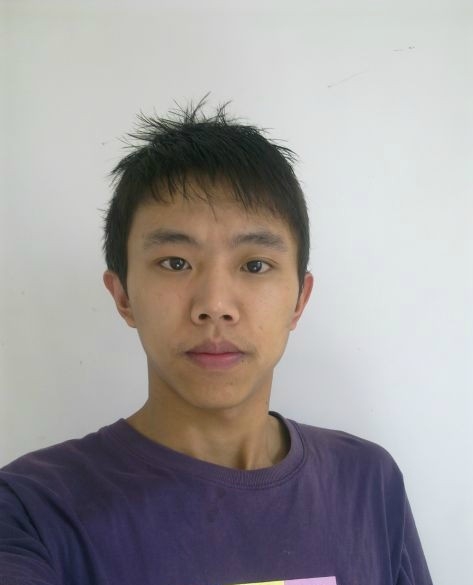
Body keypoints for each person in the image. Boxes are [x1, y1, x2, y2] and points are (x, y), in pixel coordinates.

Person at [0, 102, 433, 585]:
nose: (215, 305)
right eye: (175, 263)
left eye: (255, 265)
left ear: (299, 300)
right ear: (122, 296)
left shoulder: (367, 482)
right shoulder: (31, 510)